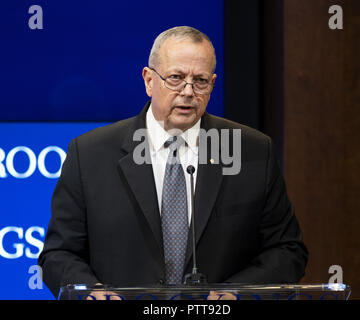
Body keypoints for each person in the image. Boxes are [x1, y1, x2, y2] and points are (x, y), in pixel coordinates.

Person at [38, 26, 308, 299]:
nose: (188, 91)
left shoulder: (251, 151)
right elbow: (58, 253)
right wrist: (91, 293)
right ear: (148, 80)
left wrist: (238, 293)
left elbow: (287, 251)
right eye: (176, 78)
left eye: (200, 81)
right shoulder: (90, 154)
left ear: (213, 83)